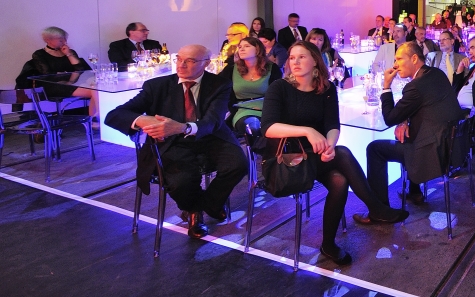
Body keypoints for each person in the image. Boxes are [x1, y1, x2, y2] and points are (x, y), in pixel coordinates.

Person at [262, 42, 408, 265]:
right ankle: (375, 208)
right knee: (343, 157)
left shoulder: (327, 89)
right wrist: (307, 131)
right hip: (288, 161)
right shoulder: (279, 88)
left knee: (339, 178)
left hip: (317, 156)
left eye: (302, 57)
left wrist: (328, 146)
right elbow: (269, 128)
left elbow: (332, 125)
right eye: (292, 58)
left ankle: (329, 244)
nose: (295, 62)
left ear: (315, 61)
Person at [104, 45, 248, 239]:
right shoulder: (156, 86)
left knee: (238, 164)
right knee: (181, 181)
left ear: (206, 63)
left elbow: (212, 121)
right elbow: (115, 115)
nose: (181, 64)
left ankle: (208, 204)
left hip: (210, 135)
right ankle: (195, 211)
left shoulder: (219, 84)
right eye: (179, 59)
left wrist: (183, 127)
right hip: (171, 142)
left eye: (189, 61)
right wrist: (143, 120)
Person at [366, 42, 464, 207]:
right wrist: (405, 120)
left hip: (432, 152)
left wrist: (386, 87)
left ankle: (379, 210)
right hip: (453, 146)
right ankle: (414, 192)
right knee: (409, 133)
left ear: (413, 58)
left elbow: (389, 118)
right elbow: (425, 106)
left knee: (375, 149)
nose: (395, 64)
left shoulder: (415, 86)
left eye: (399, 59)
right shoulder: (436, 73)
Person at [16, 26, 98, 117]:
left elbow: (80, 70)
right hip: (51, 85)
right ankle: (95, 120)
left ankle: (94, 119)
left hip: (72, 82)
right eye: (60, 40)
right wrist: (67, 77)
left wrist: (68, 54)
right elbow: (47, 74)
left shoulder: (70, 52)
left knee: (97, 89)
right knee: (95, 92)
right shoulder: (39, 54)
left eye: (65, 39)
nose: (64, 42)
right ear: (47, 40)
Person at [219, 37, 282, 134]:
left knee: (271, 127)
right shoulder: (231, 69)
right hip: (242, 109)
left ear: (257, 49)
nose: (242, 49)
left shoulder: (272, 68)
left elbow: (278, 93)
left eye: (247, 46)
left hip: (268, 108)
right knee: (252, 126)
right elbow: (218, 87)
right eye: (240, 47)